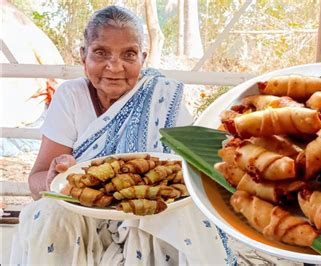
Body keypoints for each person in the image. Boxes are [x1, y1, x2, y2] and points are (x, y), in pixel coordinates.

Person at [11, 5, 235, 265]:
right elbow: (36, 181)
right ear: (84, 57)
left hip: (148, 218)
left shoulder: (161, 96)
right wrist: (53, 180)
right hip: (84, 218)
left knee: (184, 214)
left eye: (129, 54)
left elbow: (187, 175)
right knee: (49, 213)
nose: (114, 67)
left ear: (144, 58)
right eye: (100, 53)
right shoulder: (70, 97)